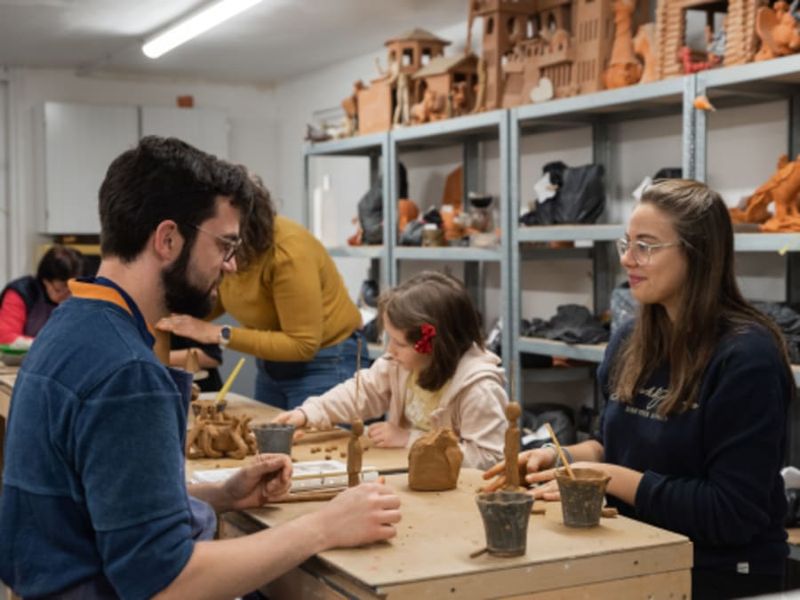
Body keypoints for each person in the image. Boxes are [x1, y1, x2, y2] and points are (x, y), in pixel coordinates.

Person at [0, 136, 401, 598]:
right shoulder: (127, 372)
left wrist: (220, 495)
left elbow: (103, 506)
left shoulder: (71, 324)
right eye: (225, 245)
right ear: (168, 240)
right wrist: (323, 527)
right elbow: (167, 584)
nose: (230, 266)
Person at [484, 179, 794, 599]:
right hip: (634, 552)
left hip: (720, 573)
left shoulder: (746, 358)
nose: (627, 259)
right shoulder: (631, 339)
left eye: (645, 246)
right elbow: (612, 444)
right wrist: (559, 458)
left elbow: (732, 511)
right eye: (626, 244)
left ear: (698, 252)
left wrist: (606, 477)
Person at [157, 175, 368, 411]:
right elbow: (228, 297)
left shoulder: (287, 254)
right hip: (272, 365)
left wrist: (216, 333)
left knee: (312, 435)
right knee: (264, 434)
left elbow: (303, 344)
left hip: (326, 362)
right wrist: (168, 315)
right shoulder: (231, 247)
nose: (227, 266)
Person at [275, 271, 509, 470]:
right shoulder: (400, 364)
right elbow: (362, 391)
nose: (390, 350)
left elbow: (490, 458)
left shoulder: (478, 389)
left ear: (434, 345)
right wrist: (310, 413)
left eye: (399, 343)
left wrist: (410, 440)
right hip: (411, 474)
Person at [0, 244, 83, 344]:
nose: (67, 296)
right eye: (58, 290)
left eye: (71, 291)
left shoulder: (81, 298)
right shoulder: (20, 294)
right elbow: (5, 337)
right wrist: (46, 345)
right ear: (45, 281)